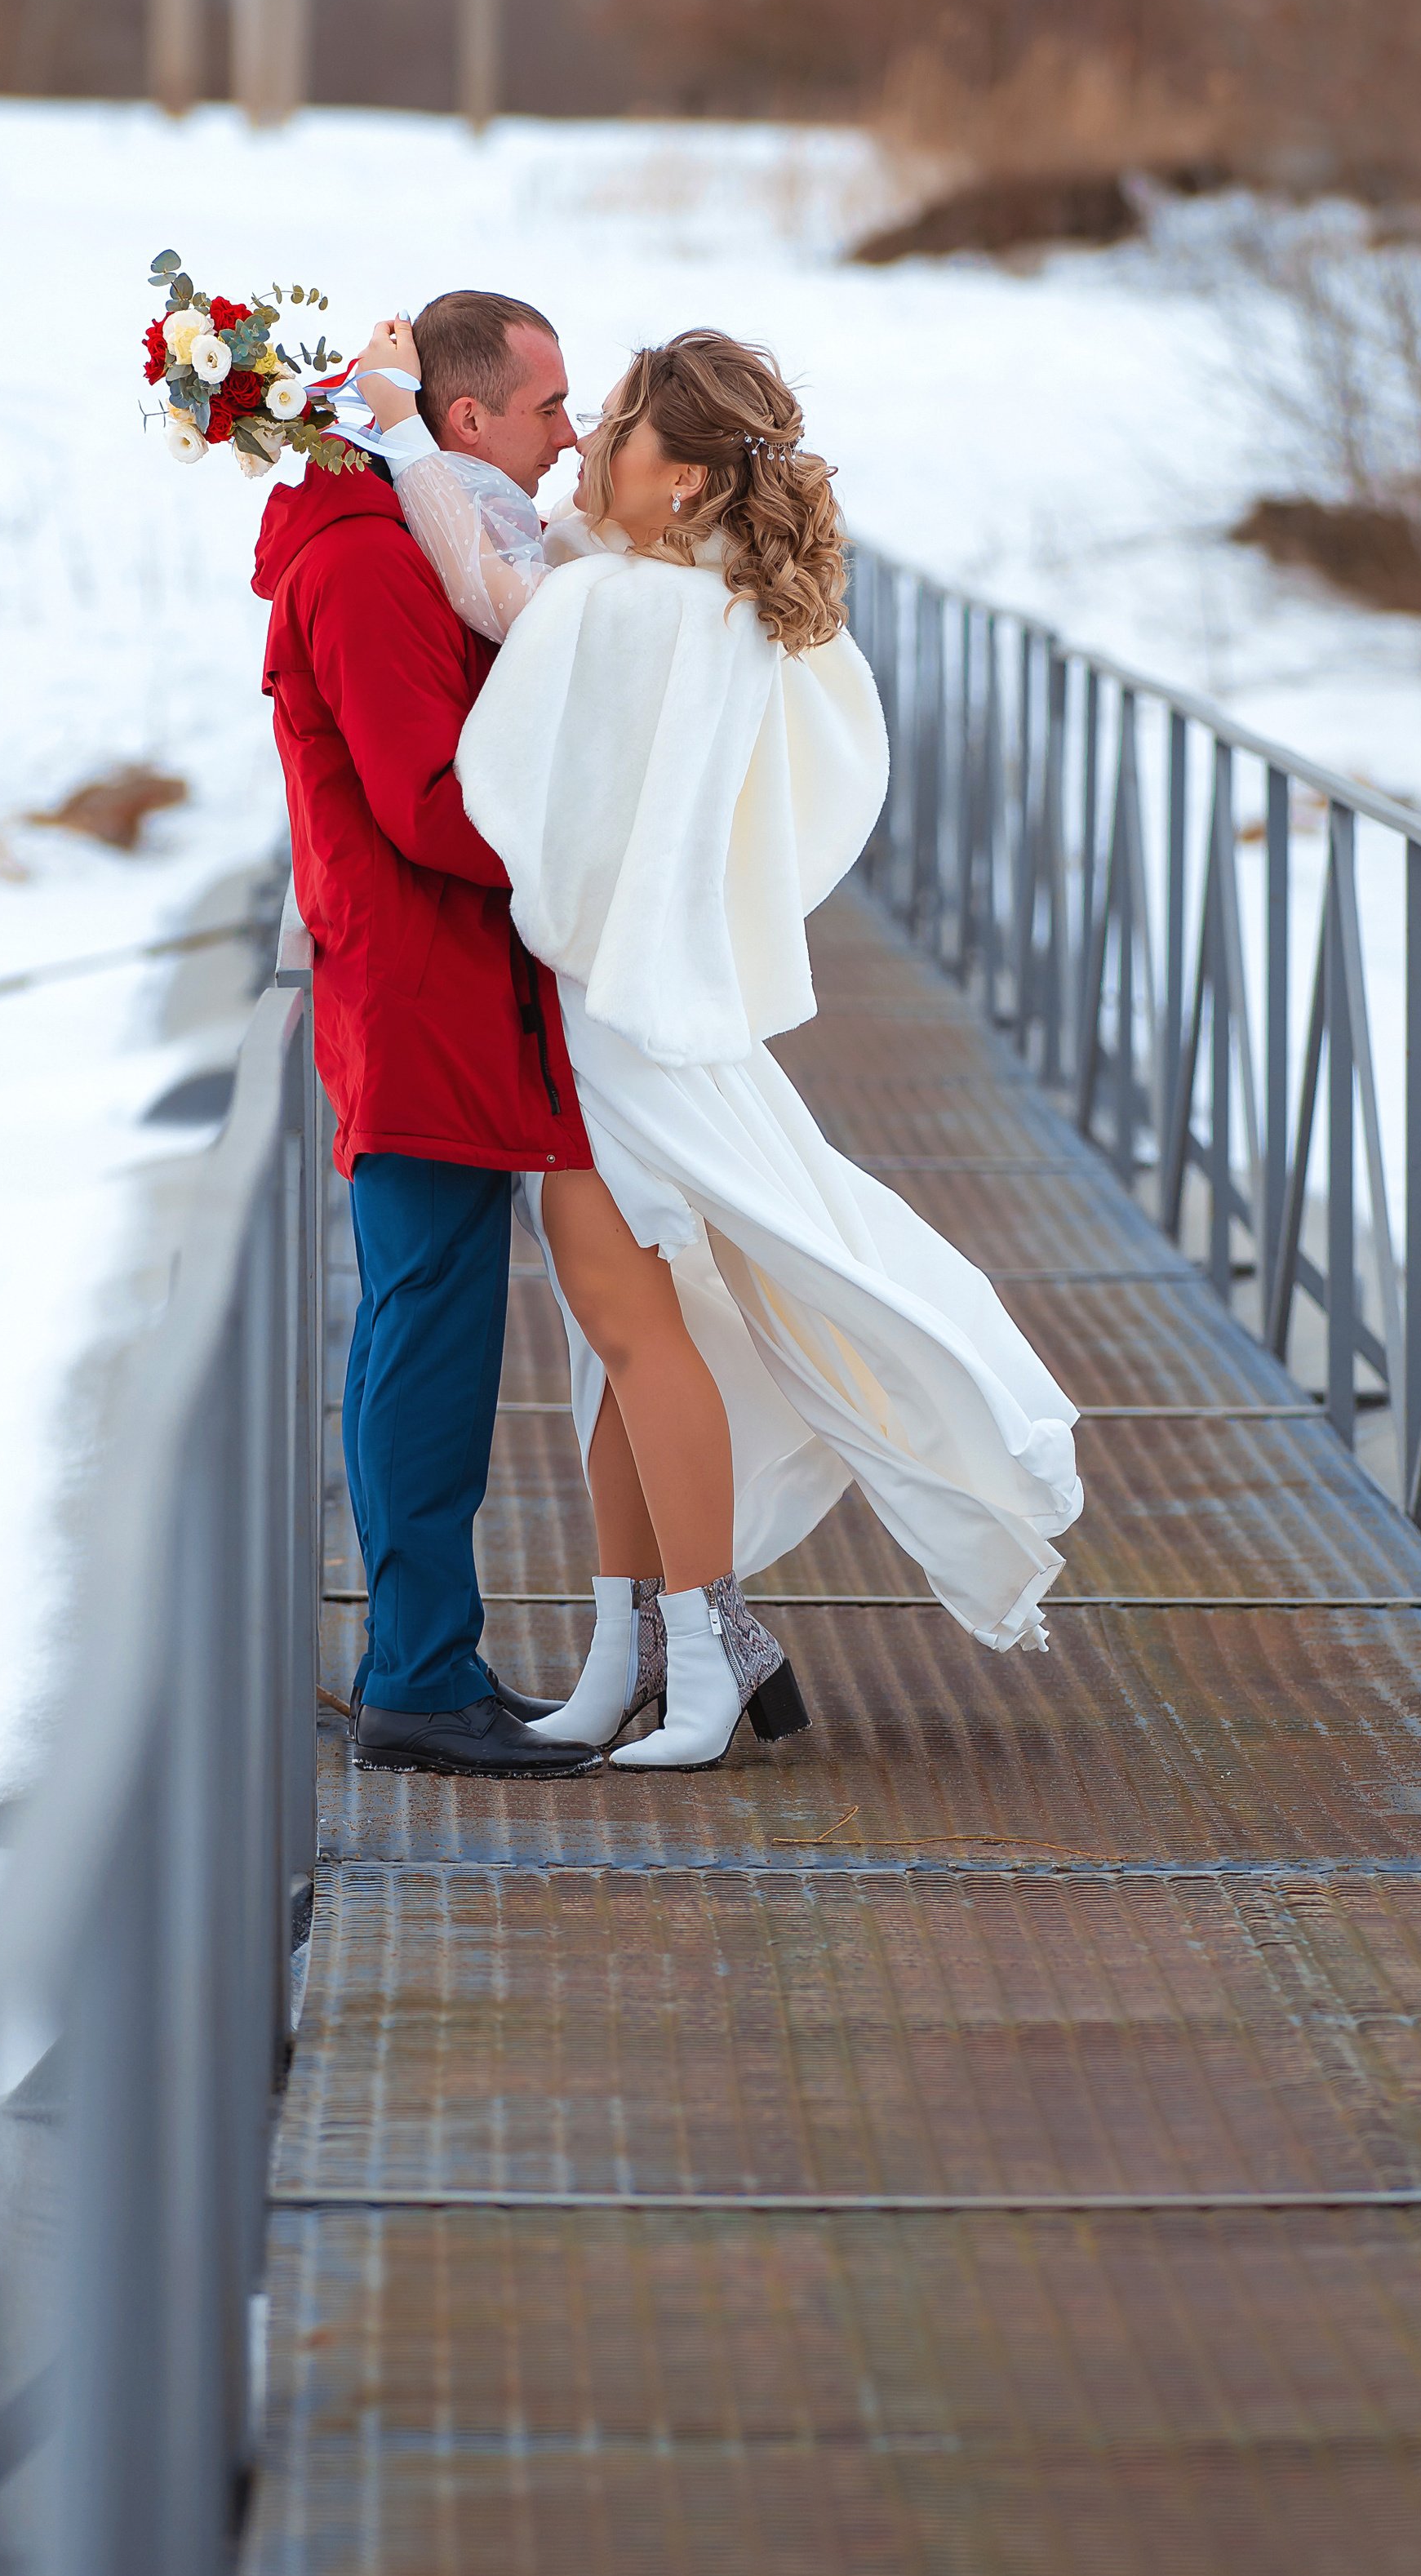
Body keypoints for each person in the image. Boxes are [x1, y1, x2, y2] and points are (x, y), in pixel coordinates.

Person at [328, 320, 1084, 1771]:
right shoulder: (700, 596)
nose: (591, 446)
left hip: (615, 1031)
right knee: (619, 1345)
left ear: (679, 482)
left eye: (614, 426)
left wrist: (405, 437)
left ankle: (699, 1657)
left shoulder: (627, 611)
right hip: (645, 1020)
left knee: (632, 1335)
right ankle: (636, 1658)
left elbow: (493, 602)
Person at [251, 290, 606, 1781]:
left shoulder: (415, 544)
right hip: (418, 997)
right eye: (549, 408)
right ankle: (418, 1678)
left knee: (428, 1329)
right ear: (465, 423)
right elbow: (431, 801)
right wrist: (602, 844)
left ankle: (431, 1658)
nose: (571, 433)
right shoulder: (371, 565)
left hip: (447, 992)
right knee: (430, 1341)